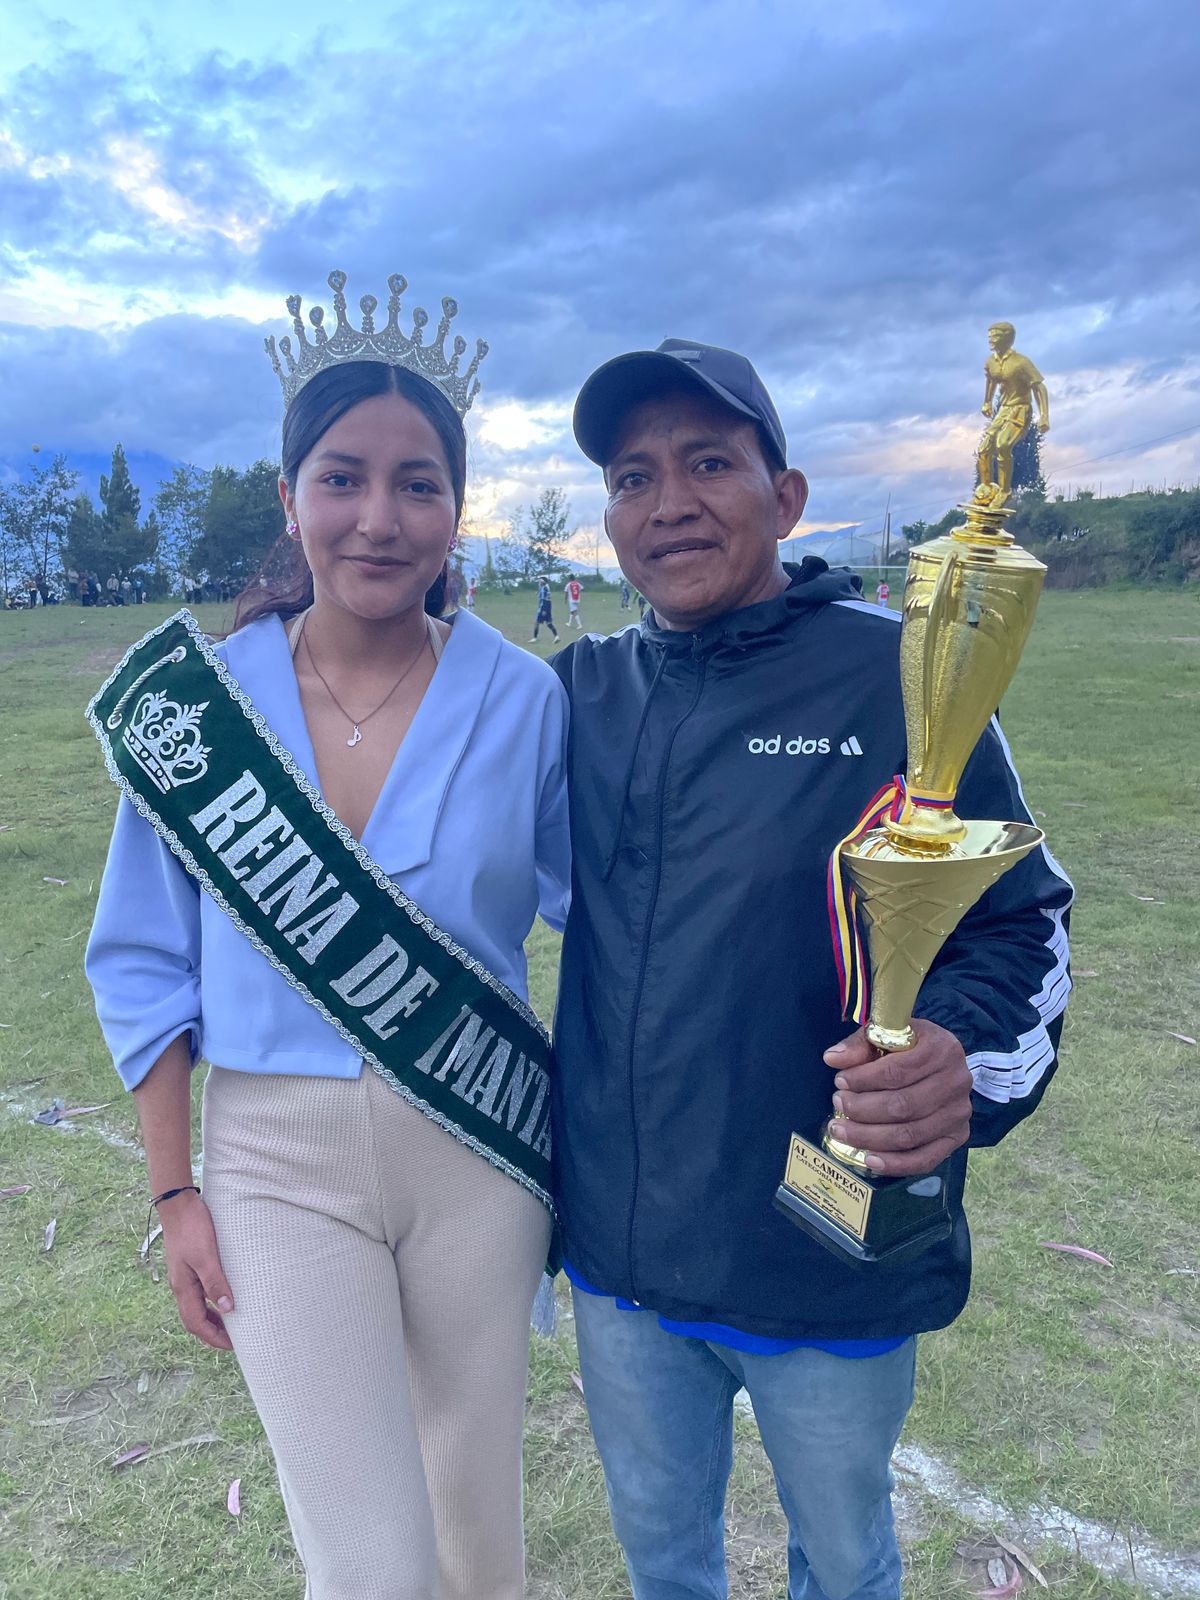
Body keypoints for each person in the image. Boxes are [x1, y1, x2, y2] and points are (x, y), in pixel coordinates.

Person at [550, 336, 1074, 1600]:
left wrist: (956, 1057)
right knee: (662, 1561)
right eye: (632, 477)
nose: (668, 502)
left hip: (826, 1249)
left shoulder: (900, 675)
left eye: (708, 463)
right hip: (623, 1253)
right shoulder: (578, 691)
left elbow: (1022, 925)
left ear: (784, 497)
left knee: (842, 1566)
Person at [86, 270, 571, 1600]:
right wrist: (176, 1192)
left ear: (456, 507)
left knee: (478, 1541)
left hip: (477, 1149)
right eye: (343, 477)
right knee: (370, 1568)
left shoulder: (525, 699)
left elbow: (606, 920)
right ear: (291, 494)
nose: (380, 517)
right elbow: (143, 961)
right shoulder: (202, 709)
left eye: (419, 483)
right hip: (274, 1161)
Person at [977, 321, 1049, 501]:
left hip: (1020, 409)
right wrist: (987, 402)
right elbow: (991, 380)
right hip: (1004, 410)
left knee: (1002, 444)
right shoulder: (991, 361)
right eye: (990, 336)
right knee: (984, 449)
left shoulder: (1021, 362)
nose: (991, 340)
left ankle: (1004, 491)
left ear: (1007, 338)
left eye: (995, 336)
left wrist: (1044, 416)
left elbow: (1039, 387)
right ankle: (986, 489)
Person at [529, 574, 559, 643]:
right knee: (549, 623)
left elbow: (544, 599)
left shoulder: (544, 588)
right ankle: (556, 636)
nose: (539, 583)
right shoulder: (546, 587)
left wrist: (544, 610)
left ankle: (534, 638)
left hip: (543, 607)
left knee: (536, 622)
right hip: (548, 607)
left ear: (542, 582)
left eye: (540, 581)